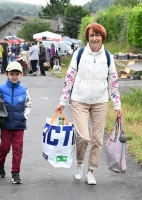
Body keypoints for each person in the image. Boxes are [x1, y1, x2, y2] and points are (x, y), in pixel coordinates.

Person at [55, 23, 122, 185]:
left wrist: (117, 105)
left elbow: (113, 83)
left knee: (97, 139)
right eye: (91, 35)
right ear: (87, 38)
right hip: (79, 100)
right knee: (83, 137)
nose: (94, 38)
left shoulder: (107, 57)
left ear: (102, 37)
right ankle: (79, 163)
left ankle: (91, 171)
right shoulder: (79, 54)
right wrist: (63, 101)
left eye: (97, 35)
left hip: (100, 101)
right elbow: (69, 79)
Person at [0, 61, 32, 184]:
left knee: (17, 149)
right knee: (4, 148)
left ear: (21, 75)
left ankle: (15, 173)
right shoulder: (1, 88)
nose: (14, 76)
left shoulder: (24, 90)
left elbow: (28, 104)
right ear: (6, 74)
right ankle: (0, 163)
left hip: (19, 125)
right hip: (5, 123)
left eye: (17, 74)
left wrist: (25, 116)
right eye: (11, 74)